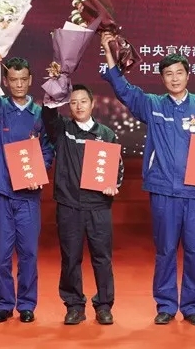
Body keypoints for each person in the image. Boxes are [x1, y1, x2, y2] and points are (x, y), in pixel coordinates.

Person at [99, 31, 195, 326]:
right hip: (164, 191)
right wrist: (108, 50)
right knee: (165, 251)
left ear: (188, 75)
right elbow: (123, 89)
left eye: (179, 72)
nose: (174, 78)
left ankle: (193, 307)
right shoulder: (153, 104)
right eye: (168, 74)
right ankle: (166, 305)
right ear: (162, 79)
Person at [0, 57, 54, 323]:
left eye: (23, 79)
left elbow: (47, 149)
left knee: (29, 252)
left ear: (30, 80)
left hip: (28, 194)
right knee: (2, 253)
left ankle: (27, 304)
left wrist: (39, 173)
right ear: (5, 82)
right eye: (13, 80)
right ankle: (4, 304)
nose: (19, 84)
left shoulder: (40, 114)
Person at [43, 84, 124, 326]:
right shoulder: (62, 130)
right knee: (70, 258)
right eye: (73, 102)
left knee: (102, 258)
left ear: (92, 104)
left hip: (99, 205)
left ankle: (104, 305)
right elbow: (48, 113)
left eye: (83, 101)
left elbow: (117, 167)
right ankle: (74, 305)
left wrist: (113, 184)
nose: (78, 106)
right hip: (69, 205)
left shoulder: (106, 134)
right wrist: (57, 83)